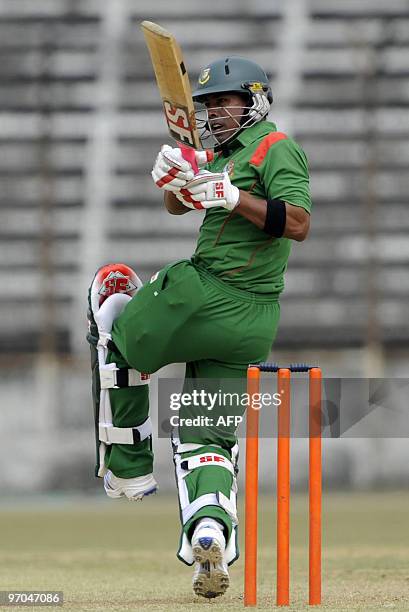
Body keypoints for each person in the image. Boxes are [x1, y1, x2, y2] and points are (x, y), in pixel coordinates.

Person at [87, 56, 311, 599]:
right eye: (207, 104)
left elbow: (299, 222)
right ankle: (210, 529)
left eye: (223, 102)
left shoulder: (273, 147)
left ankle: (131, 468)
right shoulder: (225, 153)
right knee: (206, 437)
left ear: (254, 101)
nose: (212, 112)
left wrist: (234, 198)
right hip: (252, 324)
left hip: (206, 293)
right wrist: (178, 177)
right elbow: (176, 206)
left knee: (113, 315)